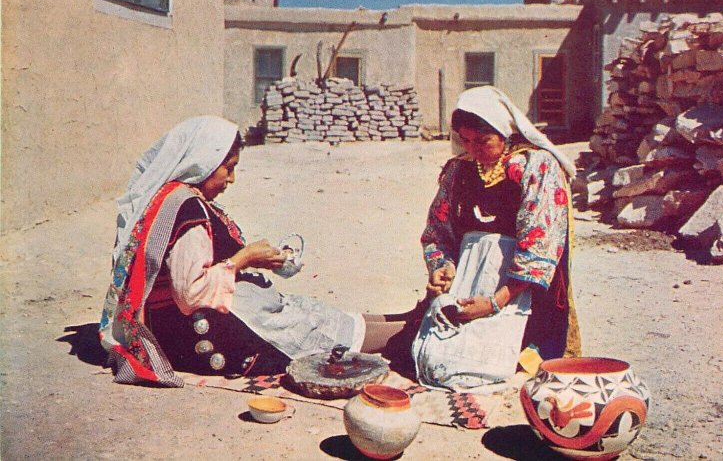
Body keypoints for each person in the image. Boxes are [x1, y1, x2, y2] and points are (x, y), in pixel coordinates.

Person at [99, 115, 410, 386]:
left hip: (219, 305)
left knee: (310, 311)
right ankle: (413, 331)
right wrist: (244, 259)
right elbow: (190, 294)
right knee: (301, 326)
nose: (231, 179)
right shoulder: (185, 208)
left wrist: (256, 260)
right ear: (204, 162)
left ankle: (409, 318)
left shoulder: (182, 198)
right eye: (228, 169)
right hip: (200, 334)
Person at [411, 86, 582, 391]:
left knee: (476, 361)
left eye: (482, 141)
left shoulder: (536, 166)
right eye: (465, 140)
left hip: (520, 296)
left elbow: (538, 245)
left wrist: (495, 301)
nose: (472, 149)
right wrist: (442, 267)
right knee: (423, 350)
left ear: (503, 133)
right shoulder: (458, 170)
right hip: (467, 288)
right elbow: (438, 233)